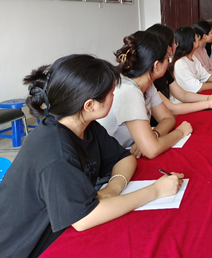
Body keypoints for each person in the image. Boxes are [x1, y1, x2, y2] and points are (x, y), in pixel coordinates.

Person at [0, 55, 184, 257]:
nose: (114, 96)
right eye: (111, 93)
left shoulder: (86, 126)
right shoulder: (56, 151)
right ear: (89, 105)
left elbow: (124, 159)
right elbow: (84, 219)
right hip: (28, 249)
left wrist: (113, 188)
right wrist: (155, 191)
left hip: (59, 231)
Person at [98, 31, 192, 159]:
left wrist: (155, 134)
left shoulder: (146, 83)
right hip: (110, 162)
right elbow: (152, 150)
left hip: (127, 153)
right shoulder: (129, 91)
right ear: (156, 65)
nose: (168, 63)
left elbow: (168, 118)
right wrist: (180, 132)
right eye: (167, 59)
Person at [145, 24, 212, 119]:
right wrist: (208, 103)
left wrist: (208, 98)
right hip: (177, 111)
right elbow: (172, 109)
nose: (176, 45)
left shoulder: (162, 72)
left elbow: (183, 94)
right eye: (173, 42)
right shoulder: (150, 79)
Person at [173, 26, 212, 94]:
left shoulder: (193, 57)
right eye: (197, 37)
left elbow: (206, 76)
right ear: (190, 42)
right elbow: (198, 87)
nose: (199, 38)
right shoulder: (181, 63)